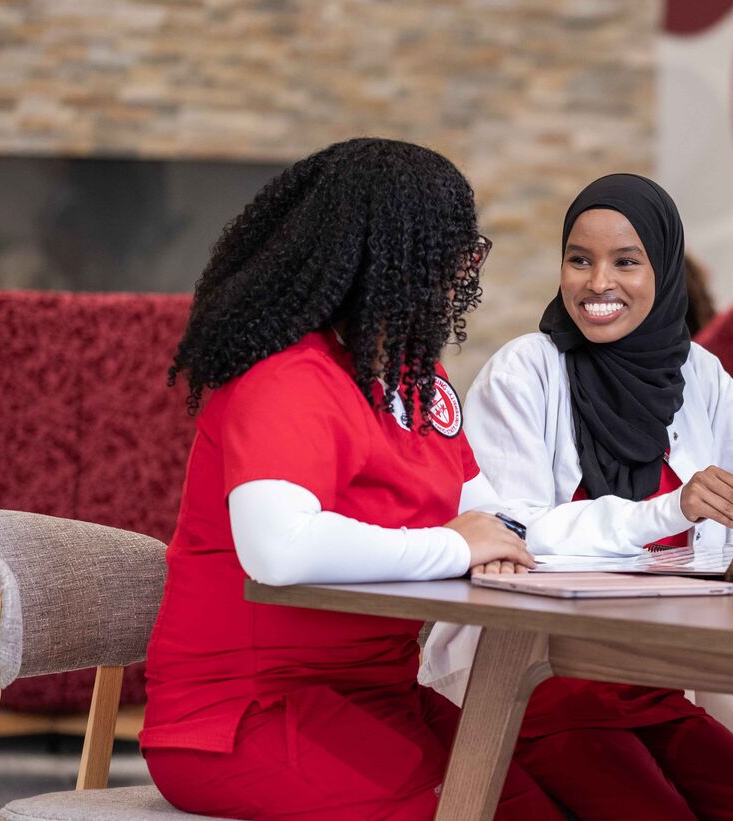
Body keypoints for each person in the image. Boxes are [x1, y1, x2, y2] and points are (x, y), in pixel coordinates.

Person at [140, 138, 563, 820]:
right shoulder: (284, 377)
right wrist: (456, 548)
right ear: (392, 259)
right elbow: (280, 549)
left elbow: (490, 516)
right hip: (243, 713)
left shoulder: (414, 383)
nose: (465, 269)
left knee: (530, 800)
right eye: (452, 250)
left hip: (375, 694)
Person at [420, 173, 733, 821]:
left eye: (626, 261)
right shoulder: (524, 370)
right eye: (579, 260)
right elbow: (511, 534)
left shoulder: (698, 375)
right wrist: (672, 512)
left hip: (657, 681)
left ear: (665, 267)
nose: (598, 283)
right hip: (537, 680)